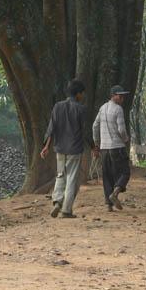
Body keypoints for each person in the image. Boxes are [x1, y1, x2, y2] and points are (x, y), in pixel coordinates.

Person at [40, 79, 97, 218]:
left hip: (59, 148)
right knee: (71, 179)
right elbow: (85, 132)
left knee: (60, 175)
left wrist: (46, 147)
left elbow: (51, 128)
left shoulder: (57, 106)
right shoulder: (81, 109)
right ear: (78, 94)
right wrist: (93, 147)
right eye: (82, 94)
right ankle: (66, 210)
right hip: (74, 149)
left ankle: (57, 201)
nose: (83, 96)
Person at [93, 85, 131, 212]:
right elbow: (121, 129)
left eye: (122, 96)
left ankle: (109, 204)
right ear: (113, 95)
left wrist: (97, 143)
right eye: (120, 96)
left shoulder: (102, 108)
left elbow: (95, 126)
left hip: (104, 148)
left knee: (107, 175)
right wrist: (126, 139)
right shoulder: (118, 109)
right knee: (125, 172)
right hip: (117, 146)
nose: (122, 98)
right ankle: (115, 192)